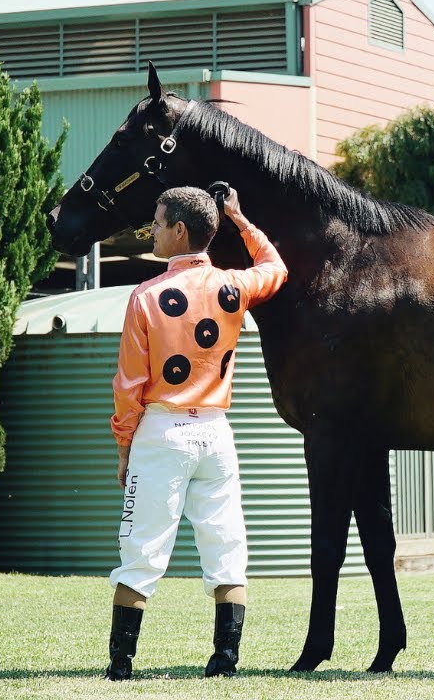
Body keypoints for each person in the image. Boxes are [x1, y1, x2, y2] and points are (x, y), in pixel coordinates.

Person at [103, 185, 287, 680]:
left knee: (141, 553)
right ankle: (225, 661)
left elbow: (129, 385)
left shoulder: (145, 297)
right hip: (217, 435)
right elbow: (276, 267)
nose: (153, 231)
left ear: (179, 230)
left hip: (162, 433)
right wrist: (240, 219)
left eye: (158, 223)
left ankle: (121, 666)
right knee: (227, 554)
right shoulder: (235, 285)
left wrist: (124, 448)